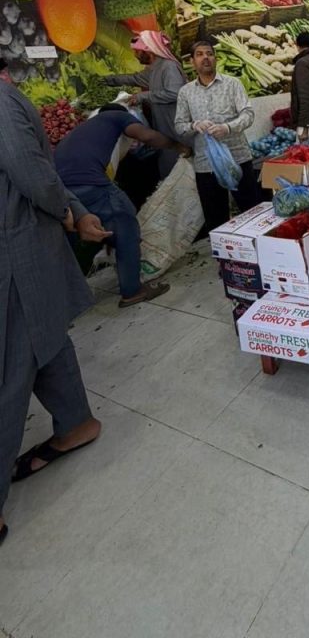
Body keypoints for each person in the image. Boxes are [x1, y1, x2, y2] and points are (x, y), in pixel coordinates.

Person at [0, 59, 112, 547]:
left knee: (10, 367)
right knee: (44, 340)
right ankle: (77, 423)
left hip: (16, 253)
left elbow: (35, 176)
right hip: (23, 246)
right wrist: (75, 211)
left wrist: (69, 211)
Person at [54, 105, 186, 308]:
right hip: (90, 182)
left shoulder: (85, 129)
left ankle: (69, 300)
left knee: (75, 242)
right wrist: (177, 145)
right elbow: (148, 136)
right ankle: (133, 291)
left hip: (62, 192)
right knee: (126, 223)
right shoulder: (117, 116)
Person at [174, 39, 259, 233]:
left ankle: (258, 247)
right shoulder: (185, 92)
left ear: (215, 58)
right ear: (192, 62)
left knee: (251, 212)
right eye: (199, 54)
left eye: (209, 54)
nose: (205, 58)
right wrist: (194, 125)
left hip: (237, 158)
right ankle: (223, 251)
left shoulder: (232, 84)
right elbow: (179, 125)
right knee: (216, 219)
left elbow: (248, 114)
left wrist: (228, 128)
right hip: (206, 164)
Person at [103, 30, 189, 178]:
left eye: (137, 52)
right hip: (165, 124)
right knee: (170, 159)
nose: (135, 55)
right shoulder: (155, 68)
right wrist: (108, 80)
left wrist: (143, 96)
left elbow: (175, 93)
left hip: (175, 124)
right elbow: (135, 79)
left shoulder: (168, 67)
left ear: (149, 52)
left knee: (178, 162)